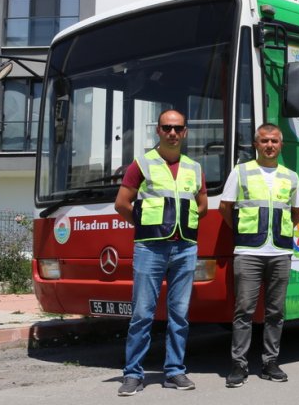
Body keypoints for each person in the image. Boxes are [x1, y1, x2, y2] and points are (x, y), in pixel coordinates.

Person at [114, 109, 207, 396]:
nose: (173, 133)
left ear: (185, 132)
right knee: (142, 313)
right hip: (150, 248)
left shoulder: (194, 167)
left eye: (178, 128)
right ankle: (132, 374)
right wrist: (145, 227)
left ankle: (175, 371)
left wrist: (184, 224)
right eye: (167, 127)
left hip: (185, 248)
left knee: (179, 314)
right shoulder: (142, 163)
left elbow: (201, 205)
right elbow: (122, 203)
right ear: (158, 130)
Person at [219, 122, 299, 388]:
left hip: (280, 252)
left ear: (280, 145)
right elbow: (225, 208)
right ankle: (238, 365)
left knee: (276, 311)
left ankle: (270, 362)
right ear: (256, 144)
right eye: (264, 141)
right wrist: (245, 233)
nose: (269, 146)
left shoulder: (291, 177)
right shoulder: (240, 172)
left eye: (274, 141)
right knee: (244, 310)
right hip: (249, 252)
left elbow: (296, 213)